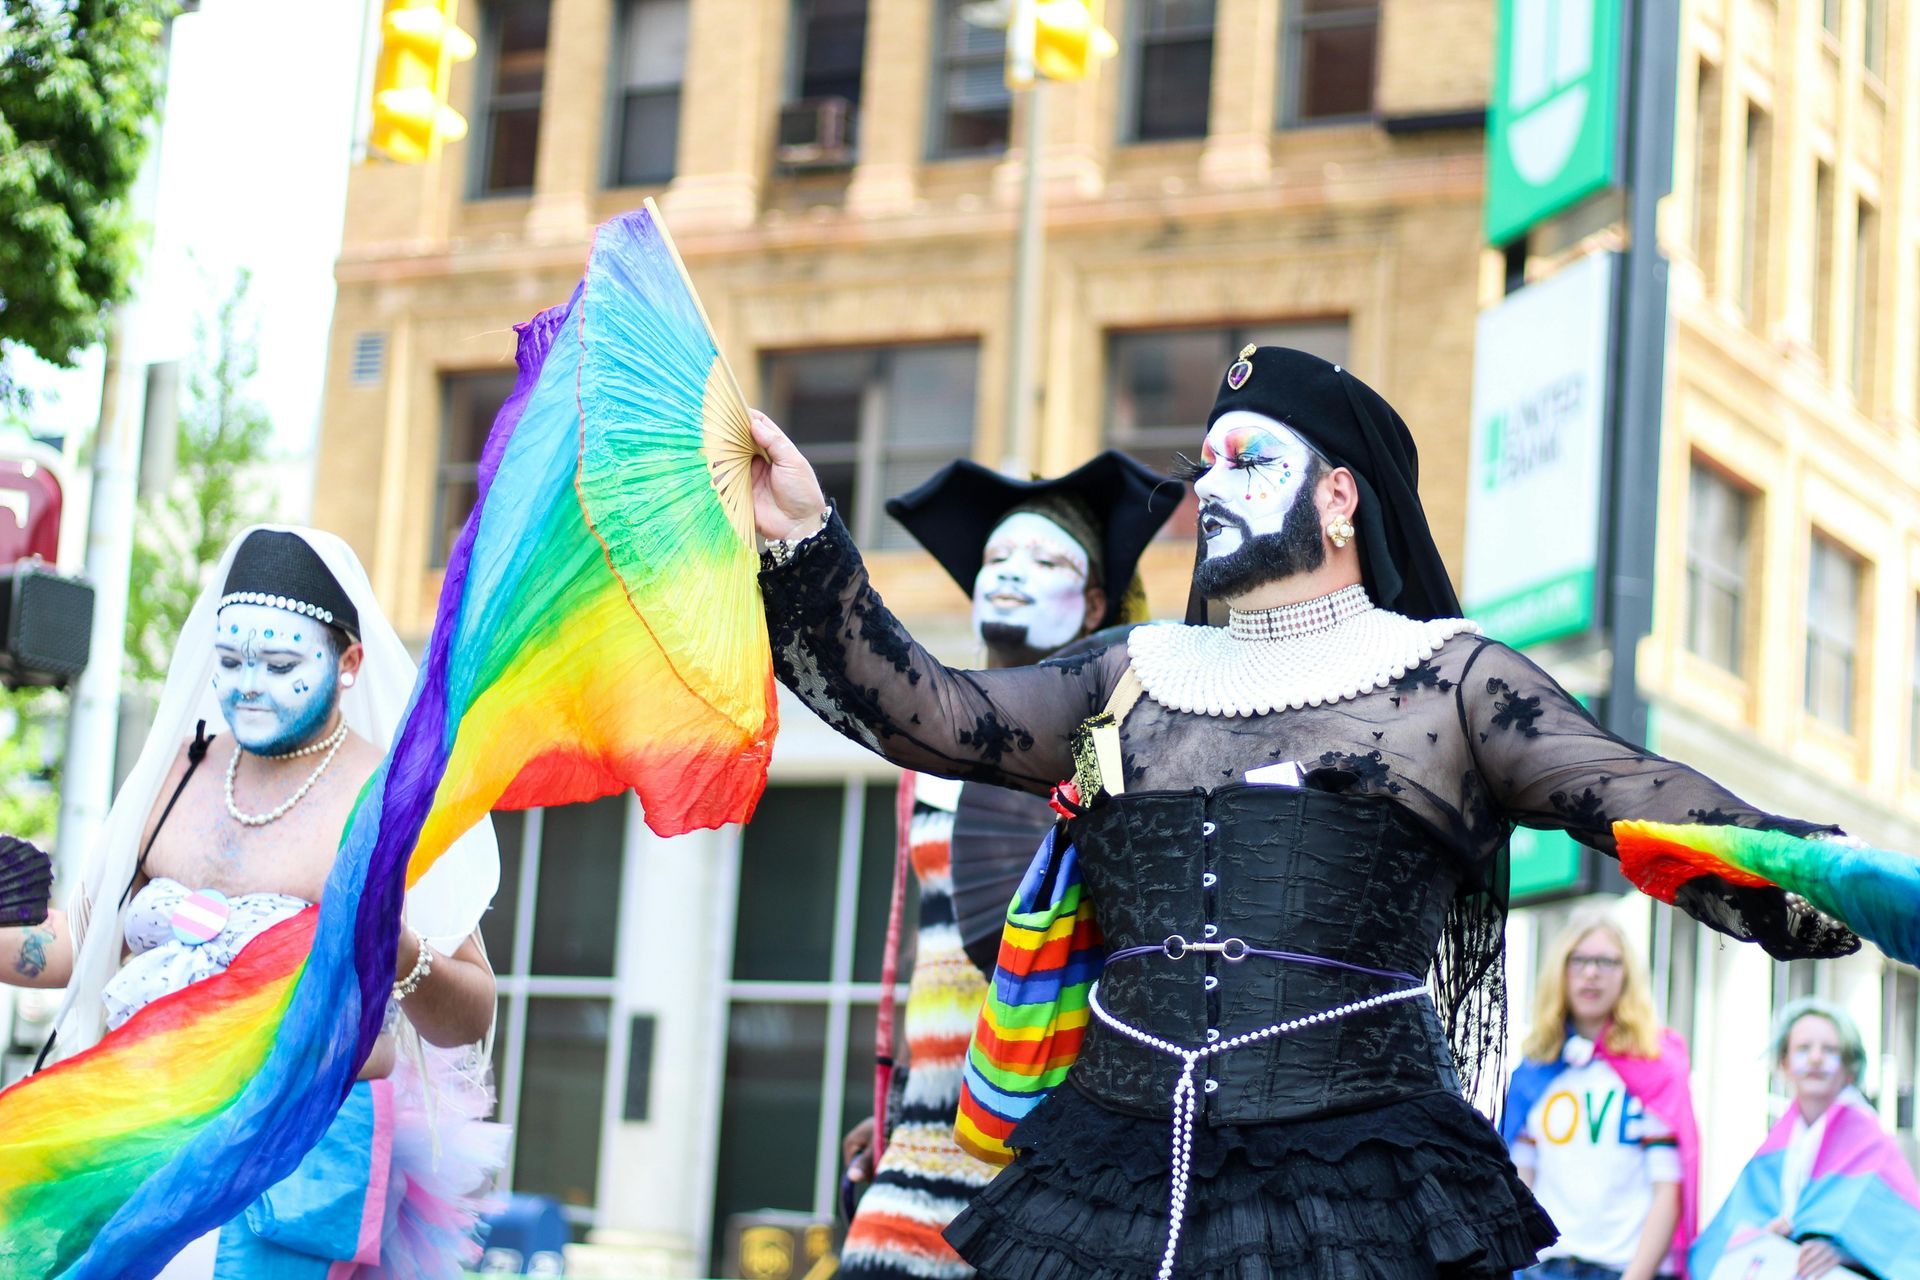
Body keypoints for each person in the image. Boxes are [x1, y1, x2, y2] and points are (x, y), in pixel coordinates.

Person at [748, 344, 1862, 1280]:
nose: (1213, 483)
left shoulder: (1448, 680)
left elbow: (1646, 802)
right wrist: (804, 532)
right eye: (1207, 461)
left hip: (1357, 1198)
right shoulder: (1129, 674)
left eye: (1250, 458)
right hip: (1101, 1180)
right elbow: (923, 709)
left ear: (1339, 498)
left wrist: (1846, 877)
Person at [0, 526, 504, 1278]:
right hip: (135, 1144)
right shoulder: (178, 773)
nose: (247, 685)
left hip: (291, 1171)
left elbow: (472, 1012)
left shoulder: (388, 801)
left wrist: (395, 947)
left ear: (348, 664)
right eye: (231, 661)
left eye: (278, 663)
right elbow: (71, 948)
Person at [838, 453, 1175, 1280]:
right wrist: (893, 1090)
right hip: (925, 1123)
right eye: (996, 559)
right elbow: (928, 946)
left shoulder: (1104, 745)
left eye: (1046, 560)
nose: (1013, 576)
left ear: (1094, 603)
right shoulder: (922, 755)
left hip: (1042, 1118)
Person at [1503, 911, 1699, 1280]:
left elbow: (1668, 1190)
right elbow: (1520, 1184)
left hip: (1624, 1270)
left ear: (1627, 975)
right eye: (1579, 960)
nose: (1591, 973)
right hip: (1544, 1270)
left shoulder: (1655, 1069)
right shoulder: (1534, 1072)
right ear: (1560, 972)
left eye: (1606, 961)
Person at [1690, 999, 1920, 1280]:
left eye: (1830, 1050)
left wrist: (1844, 1253)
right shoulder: (1775, 1147)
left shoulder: (1871, 1143)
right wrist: (1763, 1237)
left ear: (1849, 1066)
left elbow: (1905, 1240)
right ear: (1784, 1063)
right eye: (1803, 1048)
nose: (1815, 1058)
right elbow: (1728, 1236)